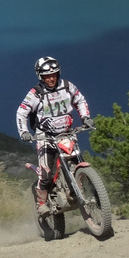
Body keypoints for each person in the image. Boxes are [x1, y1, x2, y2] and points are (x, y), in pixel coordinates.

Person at [15, 55, 91, 215]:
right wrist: (24, 132)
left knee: (78, 162)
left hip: (67, 134)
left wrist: (85, 118)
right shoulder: (36, 93)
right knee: (46, 174)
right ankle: (41, 203)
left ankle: (83, 192)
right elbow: (22, 112)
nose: (51, 78)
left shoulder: (68, 86)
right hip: (45, 137)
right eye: (47, 76)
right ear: (40, 76)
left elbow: (80, 100)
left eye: (54, 74)